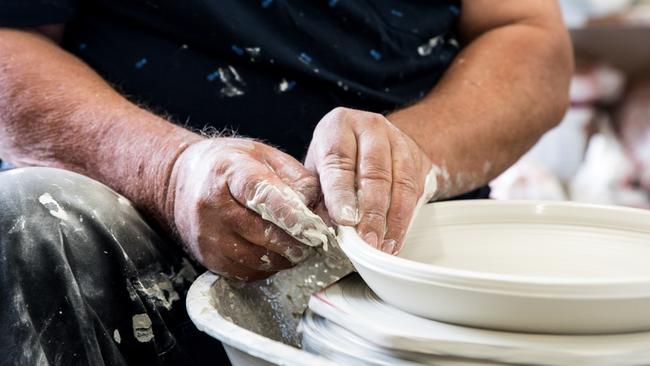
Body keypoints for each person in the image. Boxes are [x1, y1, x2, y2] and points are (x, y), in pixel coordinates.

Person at [0, 0, 572, 365]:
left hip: (398, 248)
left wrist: (408, 156)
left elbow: (528, 35)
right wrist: (170, 172)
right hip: (137, 221)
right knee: (28, 220)